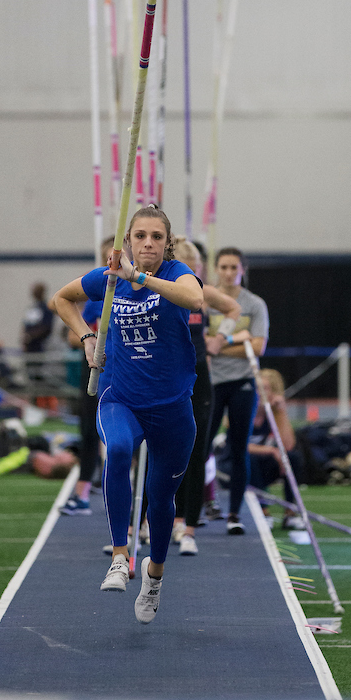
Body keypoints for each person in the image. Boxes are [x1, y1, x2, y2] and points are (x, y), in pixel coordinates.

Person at [52, 206, 203, 624]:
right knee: (118, 450)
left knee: (161, 499)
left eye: (156, 236)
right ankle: (121, 556)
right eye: (140, 236)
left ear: (166, 242)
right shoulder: (108, 278)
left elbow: (196, 299)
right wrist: (85, 336)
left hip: (172, 406)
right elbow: (61, 299)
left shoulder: (175, 274)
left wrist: (139, 277)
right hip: (122, 397)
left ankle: (153, 575)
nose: (148, 243)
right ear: (129, 240)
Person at [170, 237, 241, 555]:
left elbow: (233, 307)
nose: (193, 274)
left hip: (199, 380)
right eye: (189, 268)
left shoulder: (200, 291)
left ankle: (189, 527)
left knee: (197, 452)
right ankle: (158, 520)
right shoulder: (162, 290)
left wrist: (221, 338)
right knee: (167, 453)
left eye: (196, 268)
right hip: (168, 381)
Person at [205, 246, 269, 535]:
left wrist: (220, 345)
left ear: (243, 270)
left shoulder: (254, 304)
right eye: (224, 267)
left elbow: (257, 347)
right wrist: (233, 345)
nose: (229, 273)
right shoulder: (205, 301)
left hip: (243, 382)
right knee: (202, 446)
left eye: (235, 267)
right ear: (216, 269)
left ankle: (234, 513)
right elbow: (201, 344)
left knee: (238, 446)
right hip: (211, 382)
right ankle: (200, 505)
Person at [59, 235, 113, 517]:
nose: (110, 262)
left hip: (126, 367)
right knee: (89, 431)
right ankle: (82, 493)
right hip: (93, 365)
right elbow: (70, 331)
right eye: (106, 257)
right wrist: (88, 337)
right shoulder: (97, 291)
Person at [246, 367, 303, 528]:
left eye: (265, 389)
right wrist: (271, 450)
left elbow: (288, 446)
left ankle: (290, 512)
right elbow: (240, 447)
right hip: (238, 467)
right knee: (251, 458)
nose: (259, 393)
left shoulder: (275, 415)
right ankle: (263, 511)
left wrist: (281, 411)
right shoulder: (244, 410)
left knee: (293, 458)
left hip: (268, 466)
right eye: (257, 388)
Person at [22, 282, 54, 382]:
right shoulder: (32, 308)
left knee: (39, 373)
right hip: (29, 346)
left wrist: (32, 336)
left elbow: (46, 327)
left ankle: (40, 396)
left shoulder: (46, 308)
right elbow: (26, 324)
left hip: (40, 346)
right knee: (30, 372)